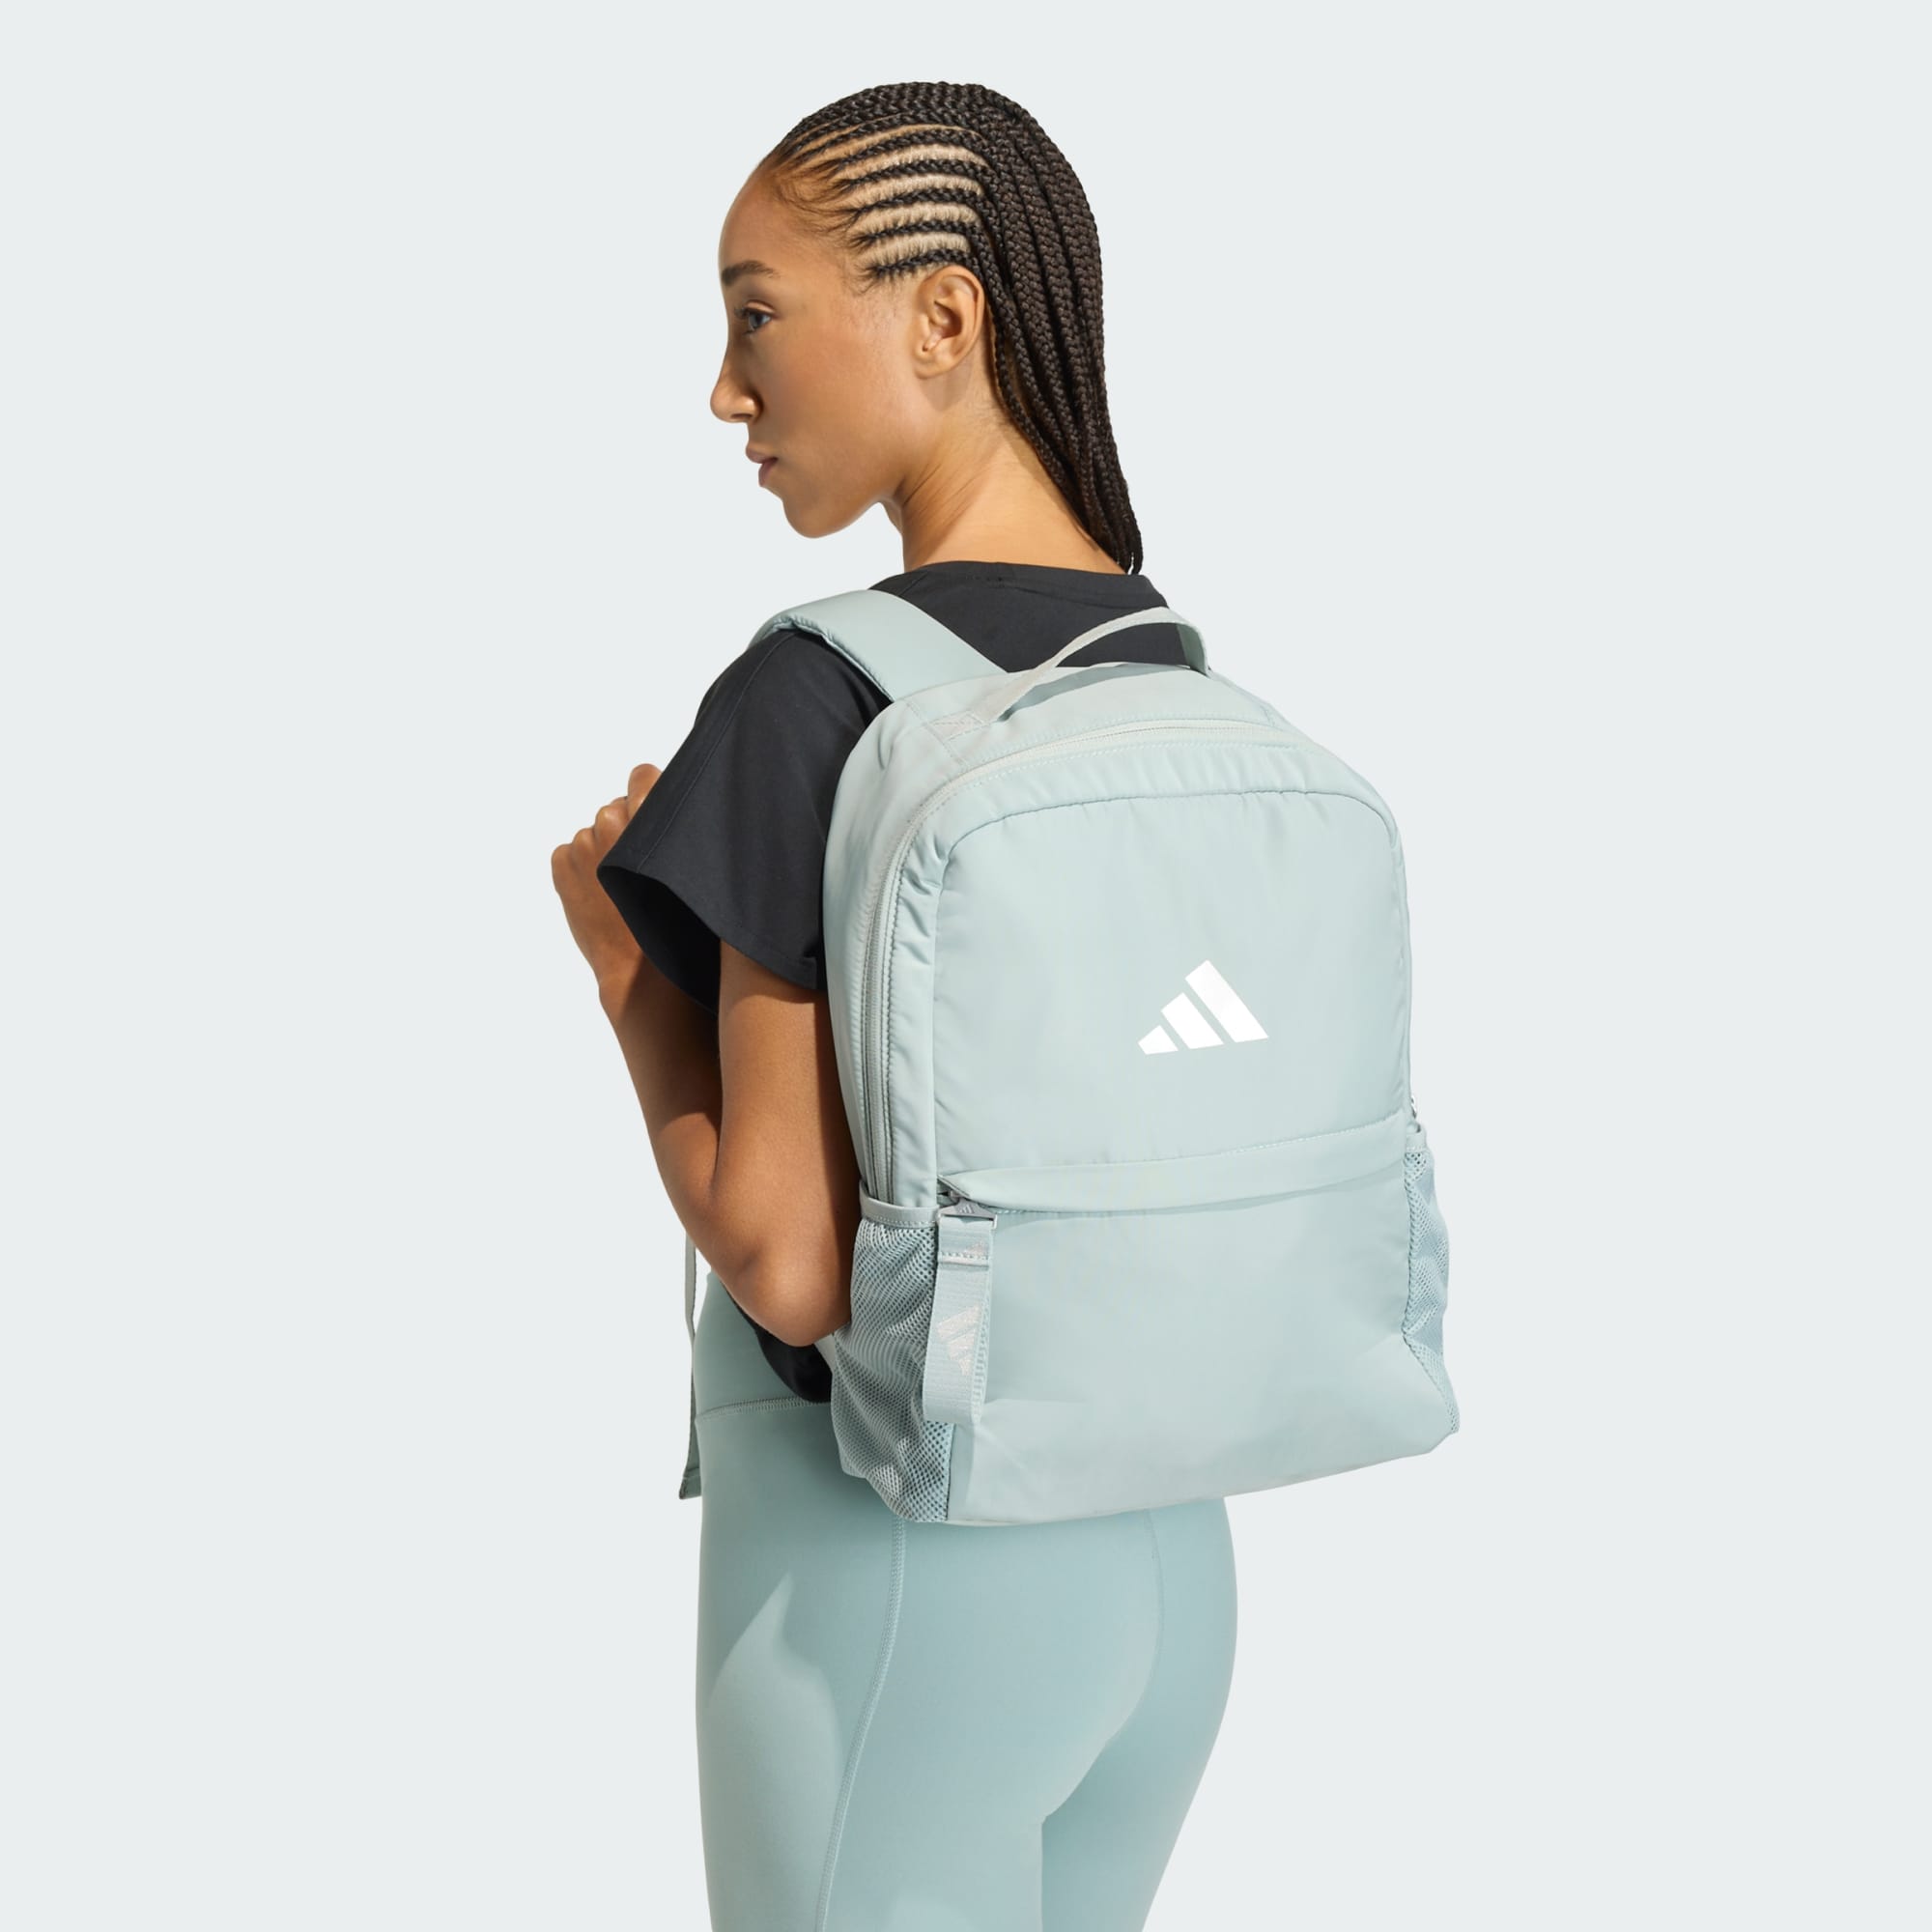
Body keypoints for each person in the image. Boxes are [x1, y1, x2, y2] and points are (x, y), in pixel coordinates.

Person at [552, 80, 1238, 1930]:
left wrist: (631, 981)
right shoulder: (1169, 675)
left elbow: (790, 1262)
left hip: (898, 1576)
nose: (727, 388)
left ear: (943, 316)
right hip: (1172, 1565)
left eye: (756, 313)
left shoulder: (816, 697)